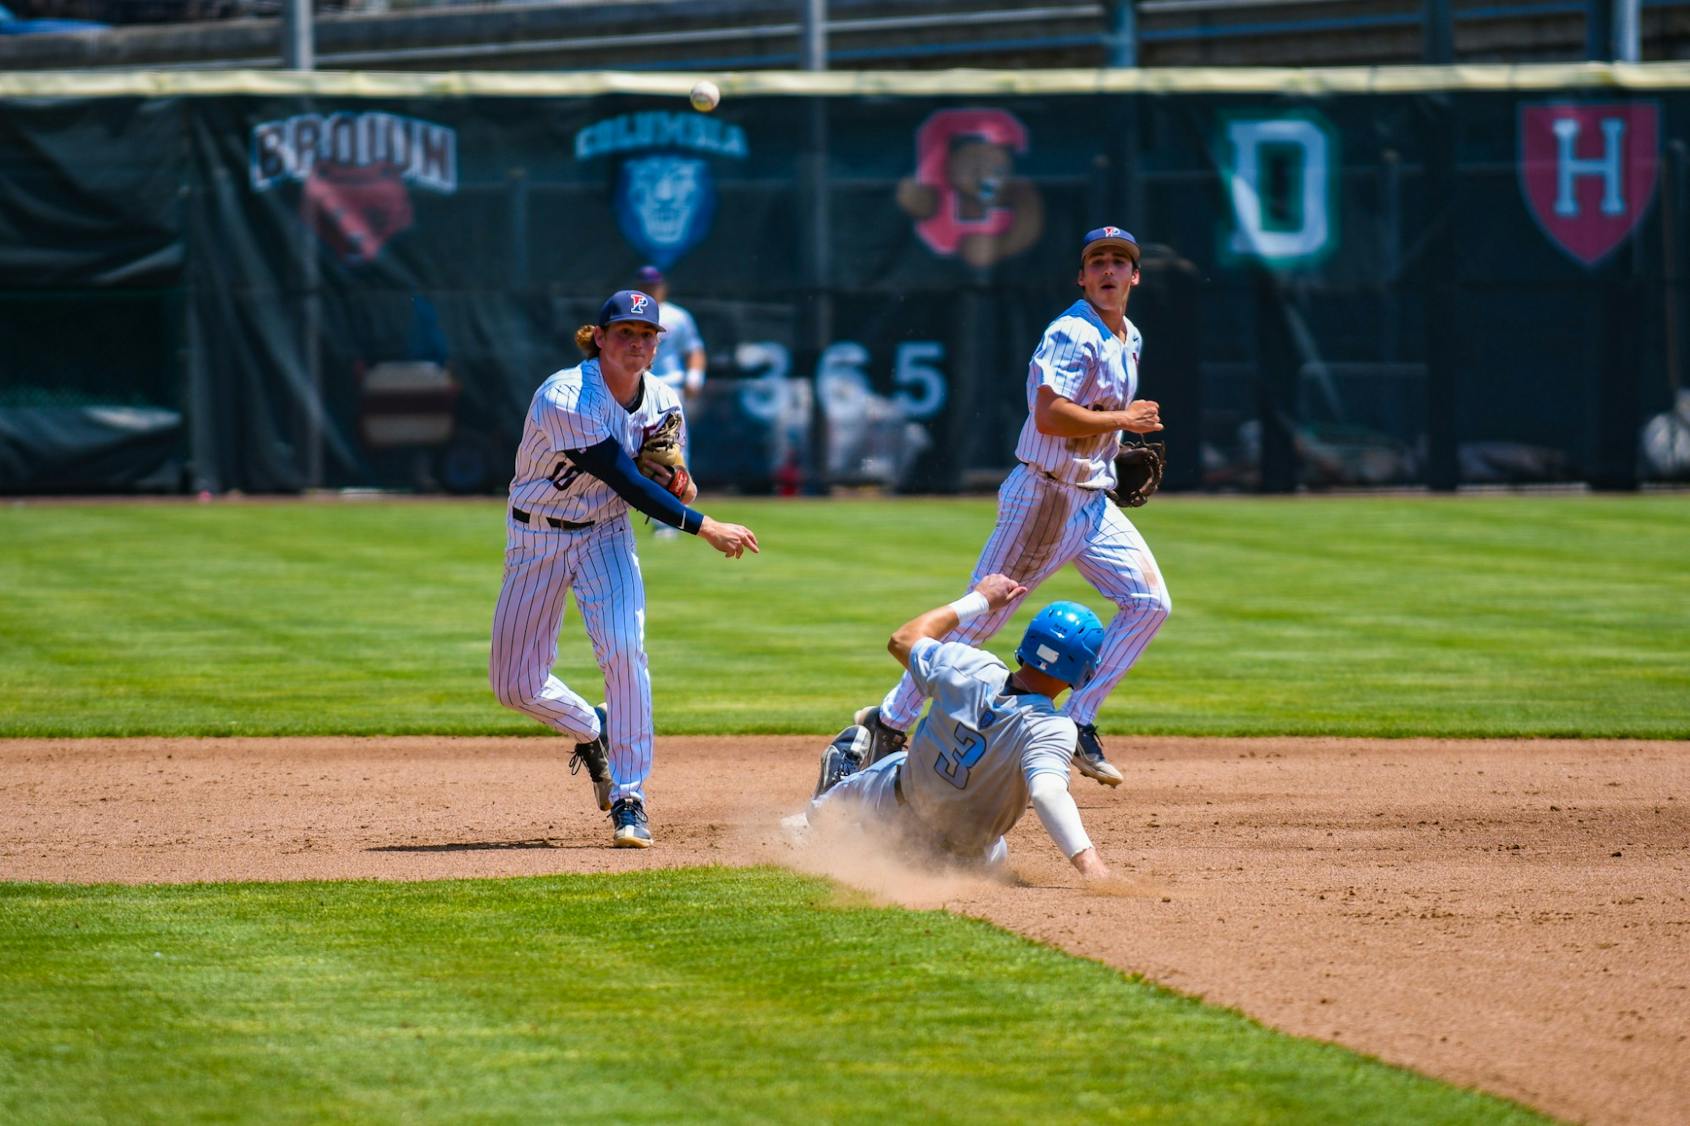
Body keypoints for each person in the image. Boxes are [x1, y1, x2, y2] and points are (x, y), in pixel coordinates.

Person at [852, 225, 1171, 789]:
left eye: (1120, 262)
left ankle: (1077, 719)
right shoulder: (1073, 332)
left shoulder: (1131, 337)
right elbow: (1050, 416)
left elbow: (1088, 420)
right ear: (1081, 275)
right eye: (1097, 260)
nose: (1108, 270)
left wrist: (1113, 448)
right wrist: (1122, 422)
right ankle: (889, 722)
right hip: (1044, 498)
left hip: (1091, 501)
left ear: (1134, 275)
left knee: (1148, 602)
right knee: (983, 615)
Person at [489, 289, 759, 849]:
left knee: (622, 647)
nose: (636, 343)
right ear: (601, 338)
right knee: (515, 687)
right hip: (537, 534)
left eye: (647, 336)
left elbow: (663, 471)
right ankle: (596, 727)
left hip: (606, 537)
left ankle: (629, 796)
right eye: (625, 333)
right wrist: (703, 524)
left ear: (657, 346)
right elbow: (625, 478)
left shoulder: (663, 399)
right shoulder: (565, 394)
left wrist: (679, 480)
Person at [799, 574, 1113, 880]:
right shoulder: (1052, 728)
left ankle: (830, 793)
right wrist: (1093, 869)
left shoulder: (967, 665)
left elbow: (902, 640)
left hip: (894, 817)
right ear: (1083, 670)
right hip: (964, 861)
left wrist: (980, 600)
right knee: (996, 847)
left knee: (883, 771)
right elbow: (1047, 793)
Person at [637, 265, 707, 539]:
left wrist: (695, 377)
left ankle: (670, 518)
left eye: (654, 284)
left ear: (663, 286)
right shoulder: (631, 317)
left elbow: (694, 350)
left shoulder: (677, 316)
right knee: (639, 450)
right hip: (638, 386)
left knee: (672, 450)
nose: (650, 289)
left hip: (670, 386)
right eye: (645, 284)